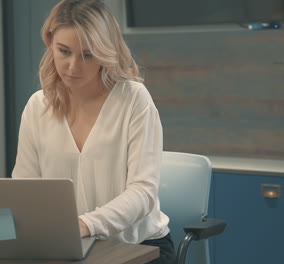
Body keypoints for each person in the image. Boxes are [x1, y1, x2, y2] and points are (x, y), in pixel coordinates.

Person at [11, 0, 176, 263]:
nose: (73, 67)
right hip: (67, 245)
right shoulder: (36, 106)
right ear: (49, 42)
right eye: (64, 51)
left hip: (138, 247)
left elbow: (142, 192)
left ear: (105, 53)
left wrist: (84, 225)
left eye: (87, 55)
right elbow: (24, 189)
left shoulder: (133, 99)